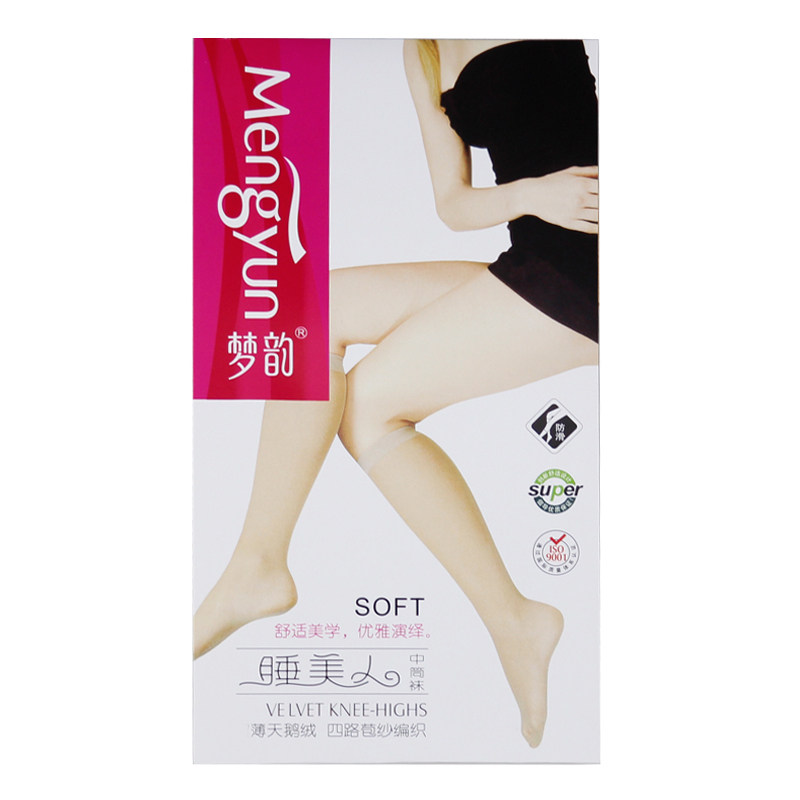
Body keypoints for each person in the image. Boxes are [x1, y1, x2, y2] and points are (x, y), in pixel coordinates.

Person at [193, 39, 599, 749]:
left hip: (593, 269)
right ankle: (257, 564)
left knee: (370, 404)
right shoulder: (423, 47)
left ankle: (510, 620)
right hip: (536, 258)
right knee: (309, 312)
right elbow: (454, 204)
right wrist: (533, 196)